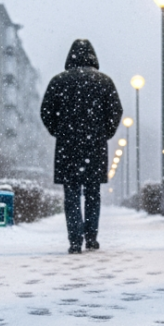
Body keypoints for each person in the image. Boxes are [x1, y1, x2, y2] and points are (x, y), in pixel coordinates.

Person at [41, 39, 123, 254]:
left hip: (67, 146)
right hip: (94, 146)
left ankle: (75, 240)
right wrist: (105, 133)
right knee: (93, 193)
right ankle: (91, 237)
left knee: (72, 194)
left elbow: (46, 112)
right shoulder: (104, 82)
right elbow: (116, 111)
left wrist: (58, 131)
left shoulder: (58, 82)